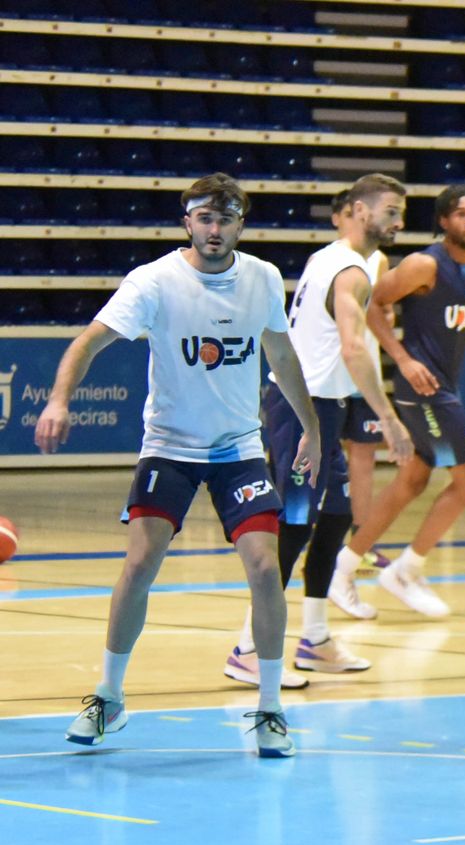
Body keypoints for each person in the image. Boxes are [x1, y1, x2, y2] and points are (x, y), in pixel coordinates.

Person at [35, 173, 319, 758]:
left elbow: (281, 353)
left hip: (239, 448)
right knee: (140, 563)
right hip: (170, 446)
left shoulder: (263, 278)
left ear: (241, 224)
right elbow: (87, 342)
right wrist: (59, 400)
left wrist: (311, 430)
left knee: (265, 569)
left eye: (226, 219)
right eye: (205, 218)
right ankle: (109, 697)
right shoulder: (154, 281)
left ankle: (269, 708)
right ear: (187, 222)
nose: (215, 229)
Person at [225, 173, 414, 688]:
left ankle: (315, 639)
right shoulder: (350, 272)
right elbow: (353, 349)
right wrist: (389, 417)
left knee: (335, 517)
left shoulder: (328, 258)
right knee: (293, 525)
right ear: (359, 210)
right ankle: (247, 648)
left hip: (325, 407)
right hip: (301, 410)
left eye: (401, 213)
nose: (398, 222)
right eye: (390, 211)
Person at [328, 184, 465, 617]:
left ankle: (342, 571)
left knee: (413, 480)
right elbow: (372, 303)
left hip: (444, 386)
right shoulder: (423, 264)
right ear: (443, 221)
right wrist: (402, 359)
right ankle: (407, 569)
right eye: (461, 213)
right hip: (423, 388)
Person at [328, 188, 394, 573]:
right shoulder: (327, 261)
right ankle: (313, 536)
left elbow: (380, 310)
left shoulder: (378, 260)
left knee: (364, 456)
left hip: (364, 372)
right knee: (321, 456)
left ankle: (361, 540)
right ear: (338, 217)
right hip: (330, 374)